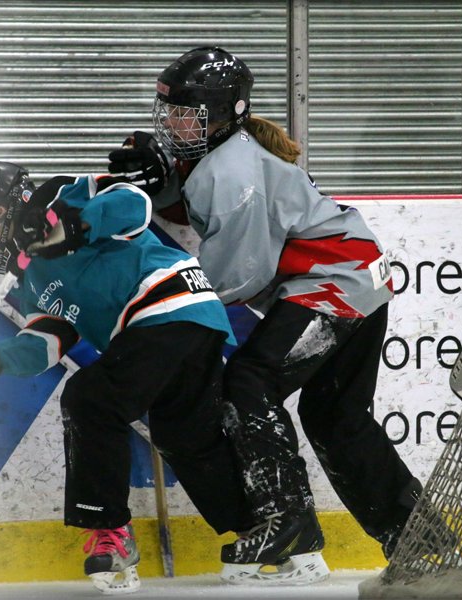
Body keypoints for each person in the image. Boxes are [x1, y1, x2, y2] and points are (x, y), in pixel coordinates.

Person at [108, 46, 416, 585]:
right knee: (338, 420)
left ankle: (288, 522)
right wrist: (161, 191)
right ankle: (419, 541)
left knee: (248, 381)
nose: (176, 123)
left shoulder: (232, 173)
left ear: (229, 113)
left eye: (189, 113)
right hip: (360, 278)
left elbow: (235, 278)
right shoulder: (218, 159)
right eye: (171, 111)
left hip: (334, 284)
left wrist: (161, 320)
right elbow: (201, 208)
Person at [0, 161, 257, 594]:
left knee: (91, 399)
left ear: (1, 210)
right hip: (174, 327)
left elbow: (133, 204)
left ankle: (111, 534)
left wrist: (74, 224)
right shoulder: (27, 282)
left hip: (167, 299)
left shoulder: (59, 197)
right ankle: (262, 532)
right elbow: (45, 344)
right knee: (184, 436)